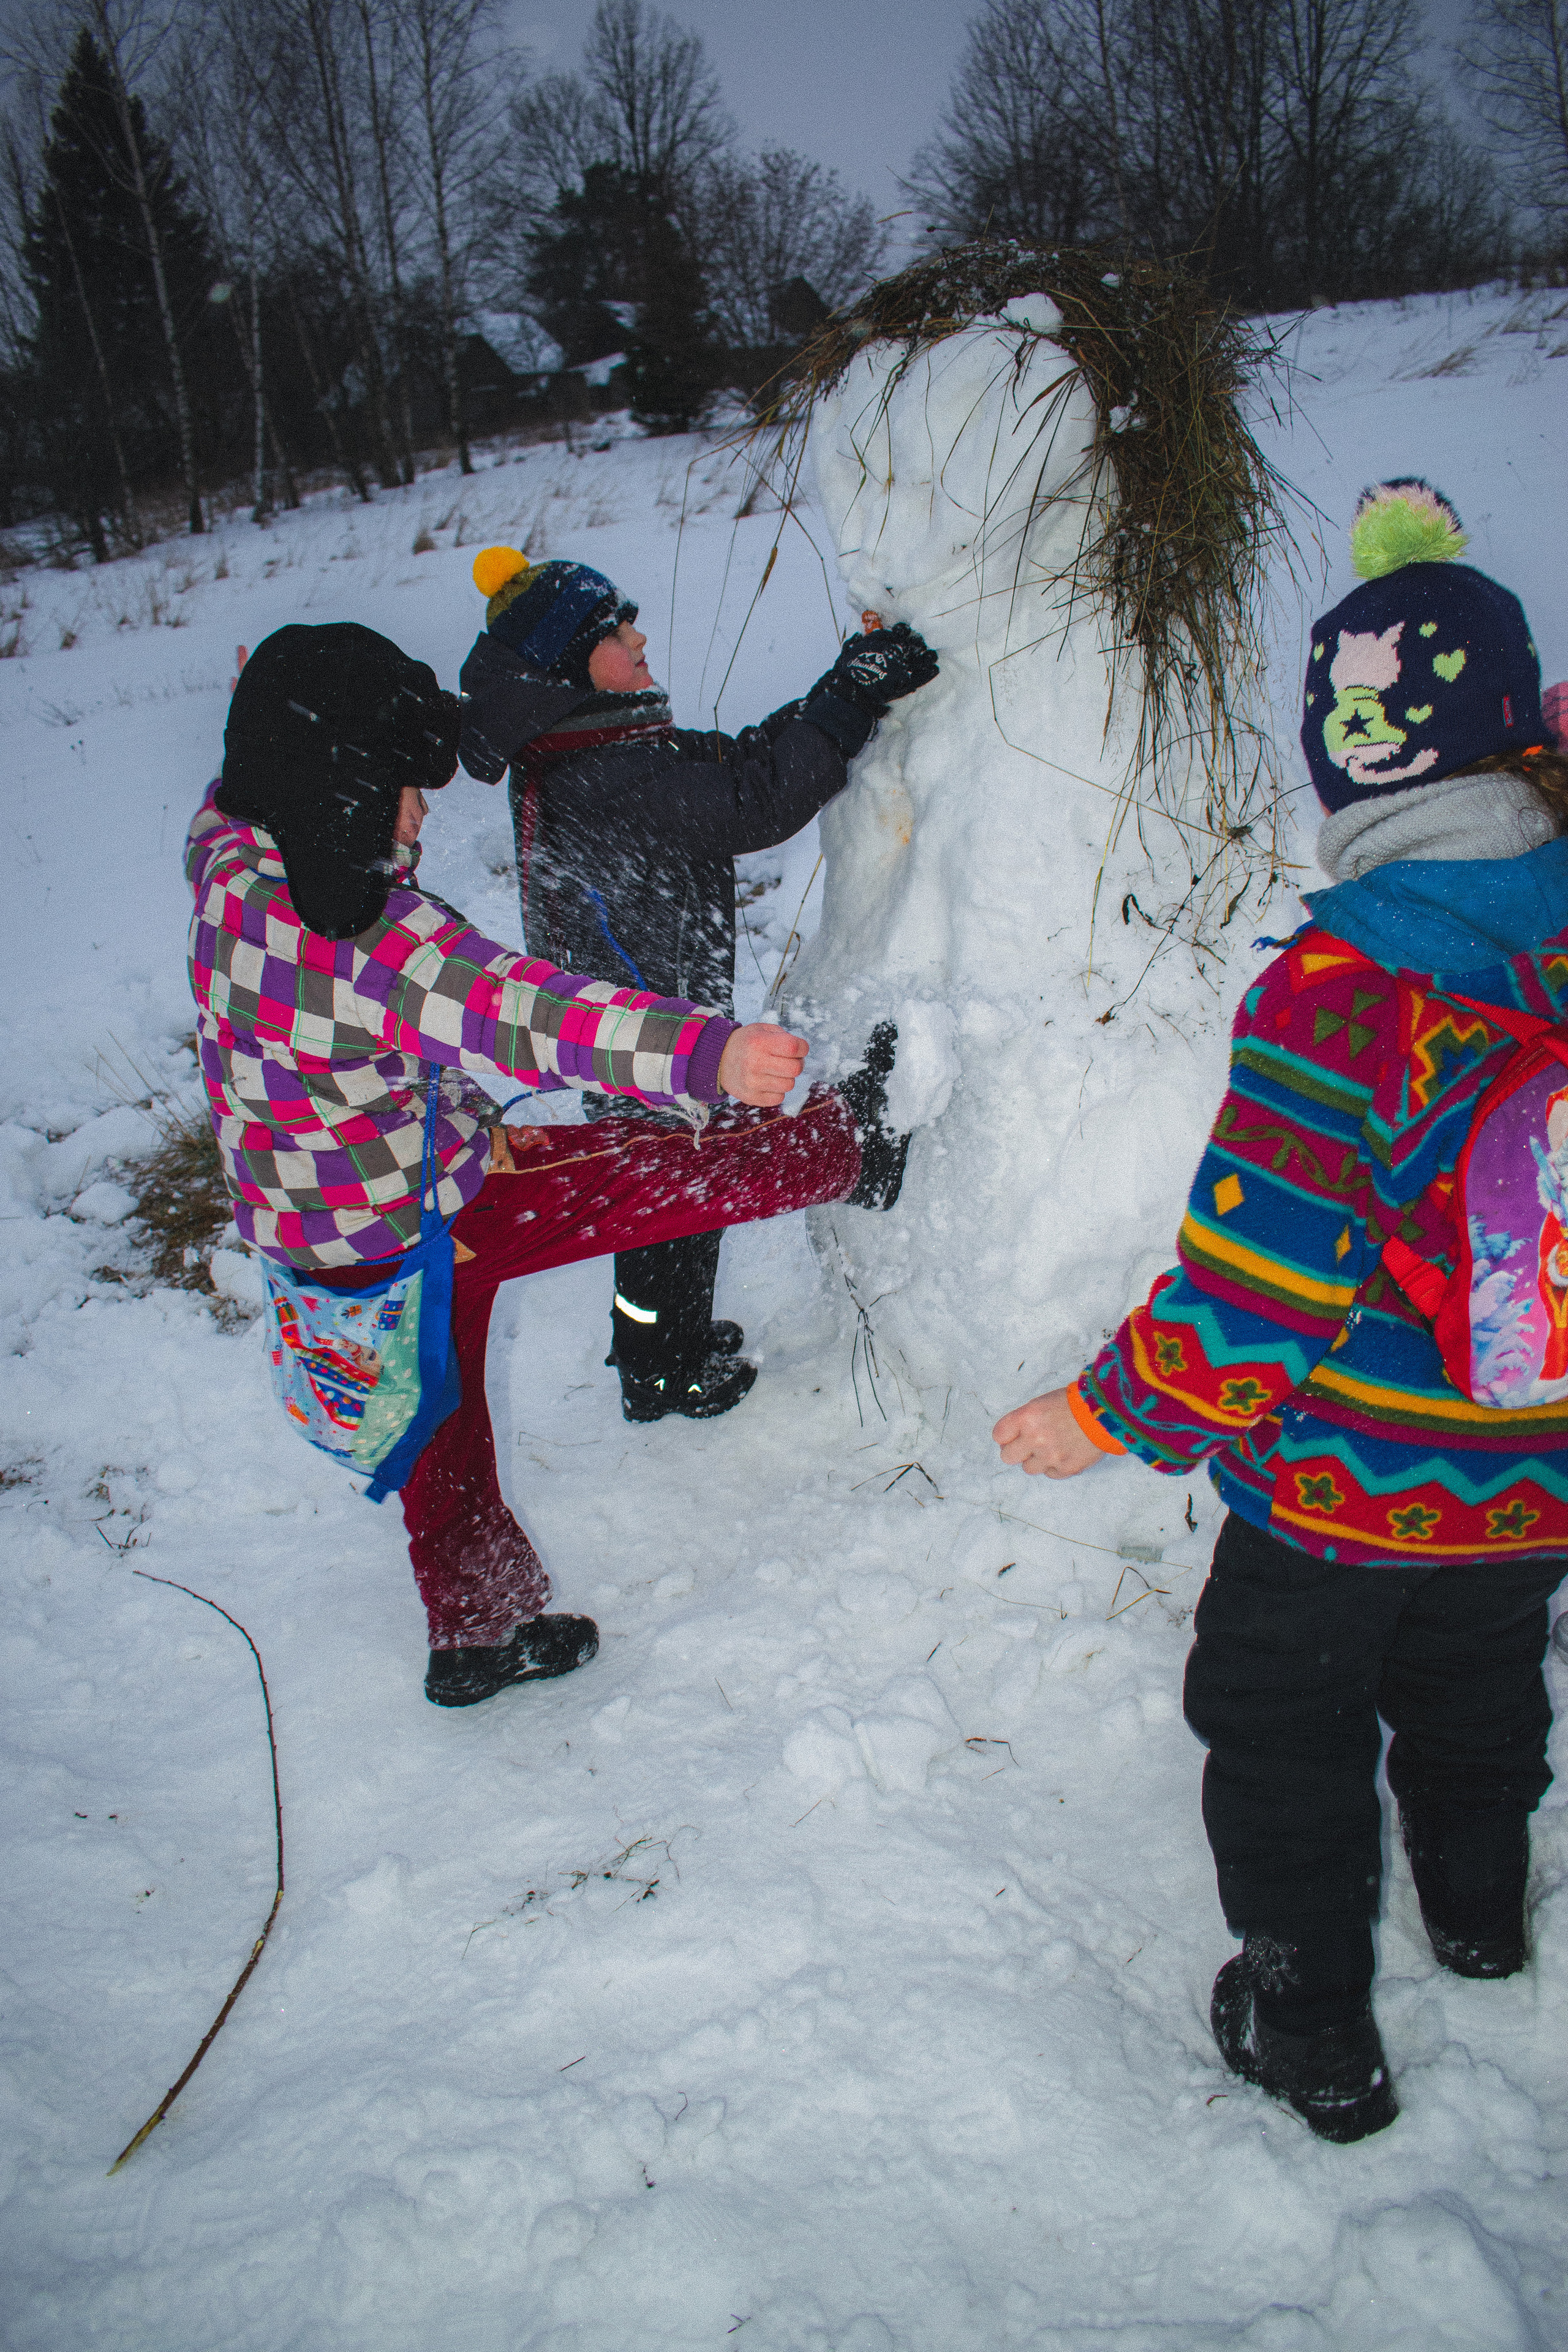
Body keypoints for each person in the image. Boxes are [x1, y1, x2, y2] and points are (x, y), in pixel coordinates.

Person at [992, 480, 1568, 2143]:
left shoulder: (1346, 984)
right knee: (1481, 1689)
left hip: (1344, 1489)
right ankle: (1476, 1915)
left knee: (1282, 1723)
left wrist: (1110, 1412)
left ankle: (1308, 2022)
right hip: (1533, 1466)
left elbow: (1258, 1288)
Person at [190, 622, 912, 1709]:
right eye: (401, 790)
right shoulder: (368, 946)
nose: (423, 813)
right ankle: (848, 1150)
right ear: (337, 794)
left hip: (322, 1243)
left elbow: (250, 781)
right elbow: (526, 1011)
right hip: (430, 1213)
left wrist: (271, 704)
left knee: (444, 1435)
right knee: (648, 1167)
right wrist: (709, 1051)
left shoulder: (227, 858)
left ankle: (477, 1636)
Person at [457, 546, 938, 1422]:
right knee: (680, 1189)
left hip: (638, 1027)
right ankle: (661, 1368)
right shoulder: (601, 770)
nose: (638, 634)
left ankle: (655, 1348)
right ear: (569, 666)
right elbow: (752, 801)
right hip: (643, 1034)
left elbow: (737, 762)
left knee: (667, 1196)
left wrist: (841, 688)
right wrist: (853, 697)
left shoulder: (595, 744)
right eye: (613, 629)